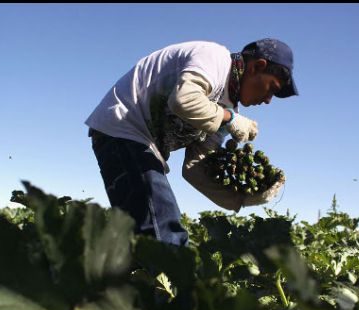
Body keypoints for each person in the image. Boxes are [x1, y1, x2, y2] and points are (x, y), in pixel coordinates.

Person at [85, 38, 298, 246]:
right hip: (123, 126)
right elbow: (183, 100)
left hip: (142, 144)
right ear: (257, 67)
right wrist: (230, 119)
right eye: (272, 88)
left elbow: (195, 169)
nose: (268, 100)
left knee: (144, 236)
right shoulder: (215, 59)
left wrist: (241, 199)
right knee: (162, 228)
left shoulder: (227, 108)